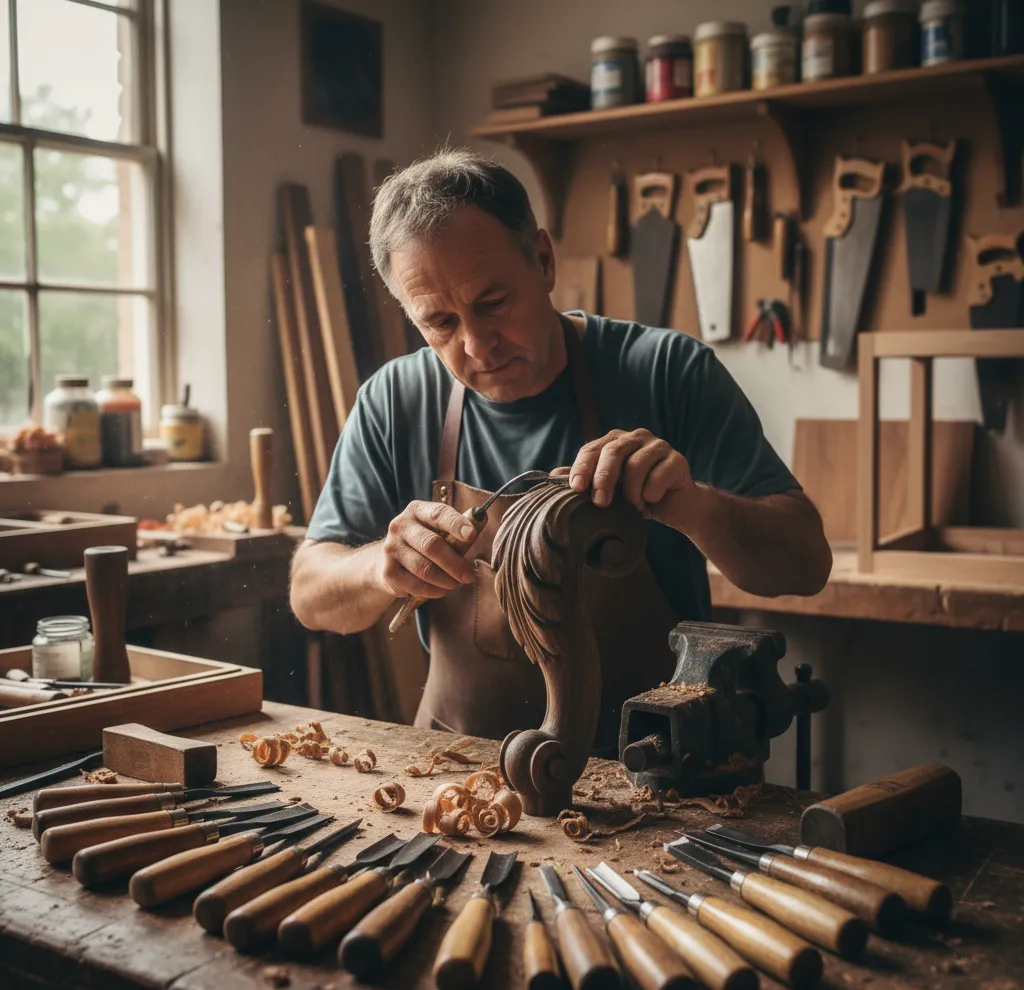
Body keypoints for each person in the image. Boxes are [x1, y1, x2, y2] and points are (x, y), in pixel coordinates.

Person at [290, 148, 831, 751]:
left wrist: (691, 505)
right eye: (439, 323)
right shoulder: (396, 399)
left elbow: (807, 564)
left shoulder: (667, 371)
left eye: (492, 303)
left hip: (657, 774)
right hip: (459, 775)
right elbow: (311, 595)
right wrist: (380, 567)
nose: (476, 344)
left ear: (543, 261)